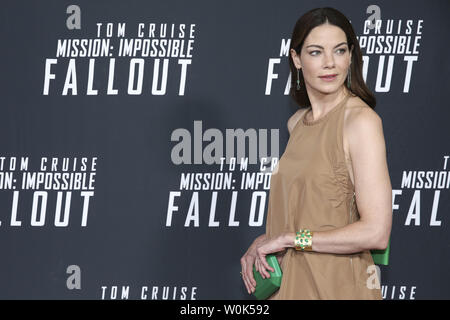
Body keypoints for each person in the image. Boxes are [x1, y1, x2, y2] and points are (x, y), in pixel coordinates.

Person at [240, 7, 392, 300]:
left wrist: (292, 239)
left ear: (350, 56)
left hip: (338, 286)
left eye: (339, 50)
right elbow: (310, 214)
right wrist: (264, 242)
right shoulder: (296, 123)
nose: (330, 63)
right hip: (291, 285)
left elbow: (376, 232)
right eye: (315, 52)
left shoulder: (361, 121)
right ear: (296, 59)